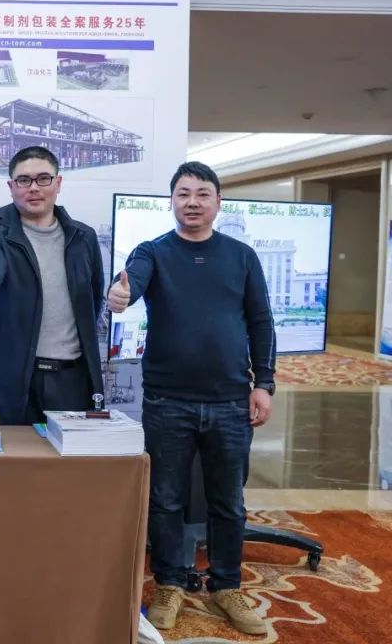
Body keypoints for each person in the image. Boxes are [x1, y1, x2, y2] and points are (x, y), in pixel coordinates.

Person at [108, 161, 274, 637]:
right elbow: (130, 285)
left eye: (203, 194)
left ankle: (226, 585)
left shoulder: (242, 257)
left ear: (218, 202)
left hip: (230, 401)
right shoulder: (153, 252)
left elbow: (261, 322)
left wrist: (264, 383)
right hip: (168, 402)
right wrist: (120, 294)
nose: (193, 202)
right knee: (166, 499)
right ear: (172, 202)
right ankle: (169, 584)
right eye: (183, 194)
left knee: (228, 501)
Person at [0, 146, 104, 424]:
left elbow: (93, 298)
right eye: (23, 180)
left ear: (58, 183)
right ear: (11, 187)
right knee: (10, 451)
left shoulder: (84, 237)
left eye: (43, 178)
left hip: (71, 380)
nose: (33, 188)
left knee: (70, 454)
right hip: (13, 379)